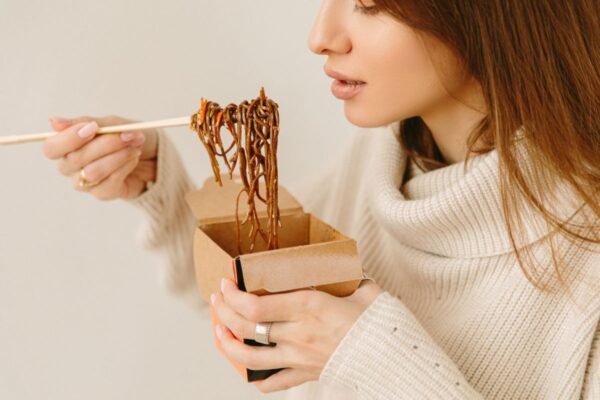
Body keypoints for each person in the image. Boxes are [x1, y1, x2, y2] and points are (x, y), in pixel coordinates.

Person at [41, 0, 599, 398]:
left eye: (369, 3)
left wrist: (366, 354)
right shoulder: (375, 162)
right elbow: (243, 298)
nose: (320, 35)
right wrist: (155, 179)